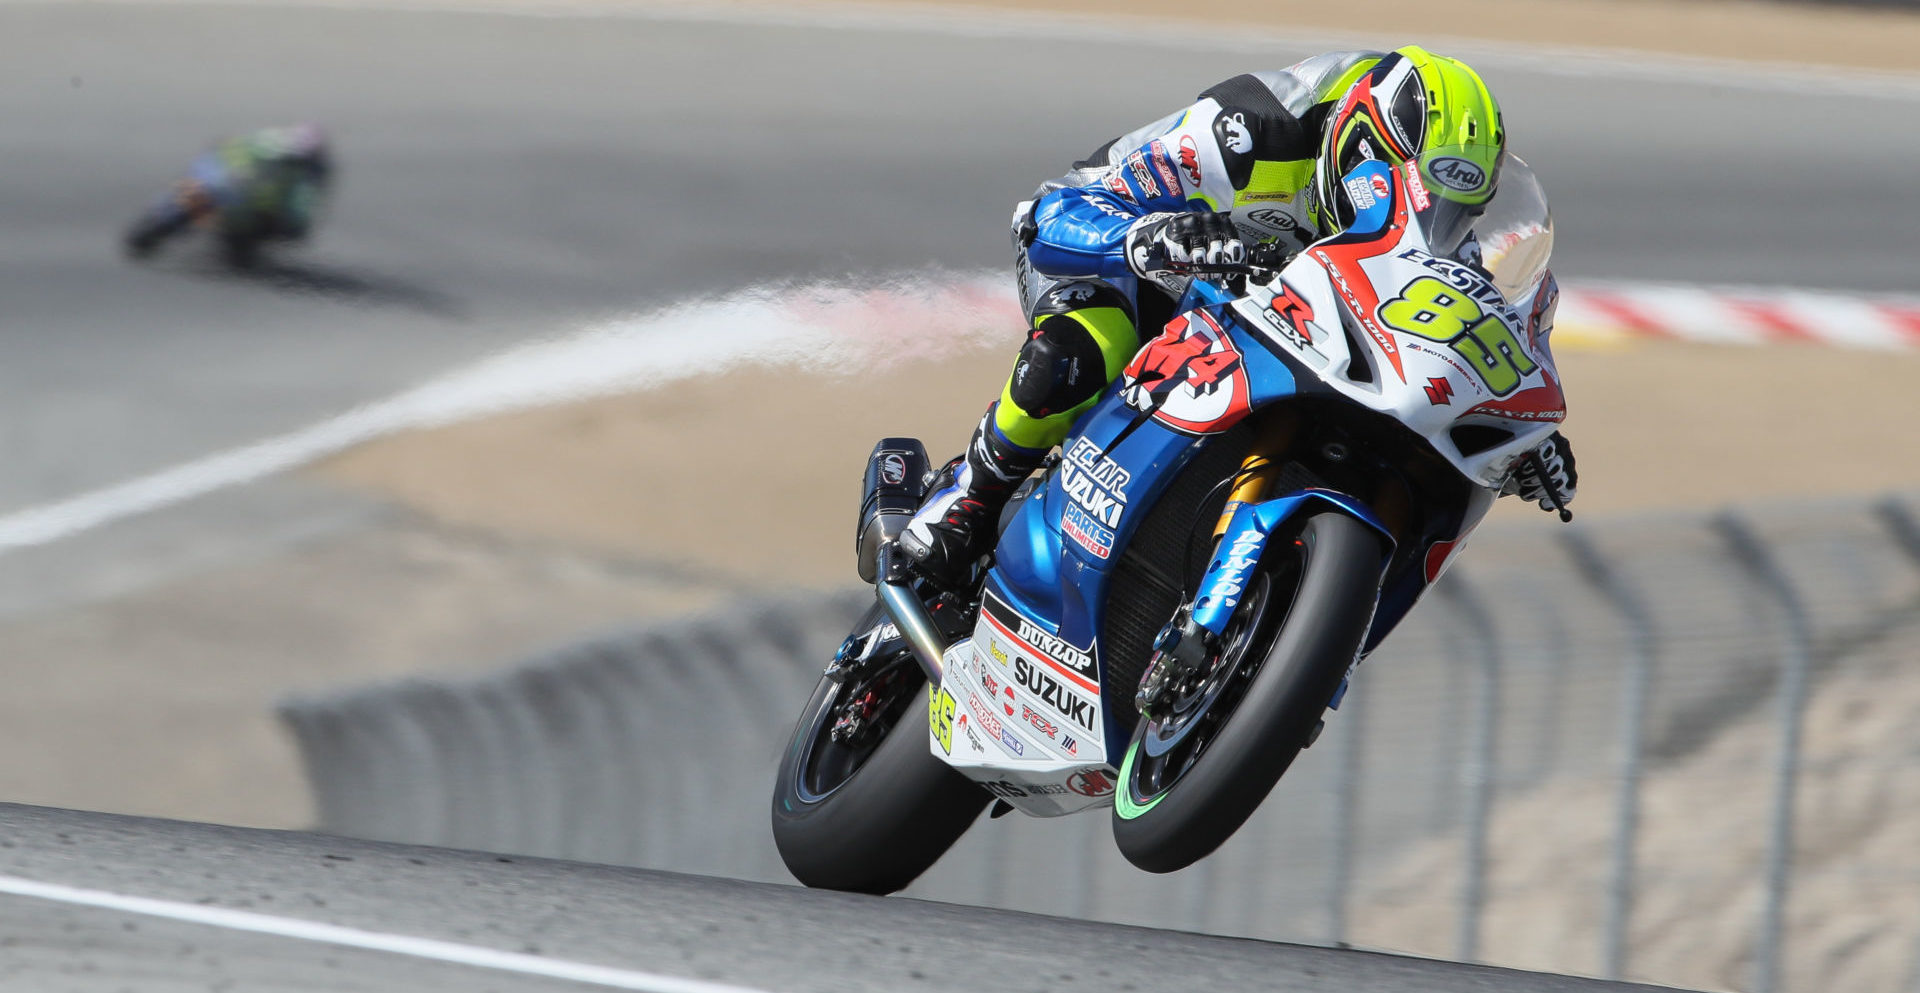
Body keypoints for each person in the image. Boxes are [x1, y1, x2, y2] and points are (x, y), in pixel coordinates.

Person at [898, 45, 1577, 586]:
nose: (1429, 215)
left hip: (1270, 323)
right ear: (1358, 139)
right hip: (1125, 260)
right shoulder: (1253, 131)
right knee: (1093, 345)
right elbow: (1059, 212)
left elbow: (1456, 336)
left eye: (1457, 209)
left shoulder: (1441, 227)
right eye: (1409, 187)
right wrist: (1152, 239)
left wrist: (1517, 433)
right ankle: (972, 494)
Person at [124, 124, 333, 266]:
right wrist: (223, 168)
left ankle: (241, 244)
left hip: (256, 212)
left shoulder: (308, 177)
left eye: (301, 159)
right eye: (292, 156)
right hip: (227, 184)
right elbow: (226, 148)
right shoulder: (266, 142)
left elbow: (304, 206)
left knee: (247, 255)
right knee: (191, 191)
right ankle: (163, 214)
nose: (293, 162)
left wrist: (293, 224)